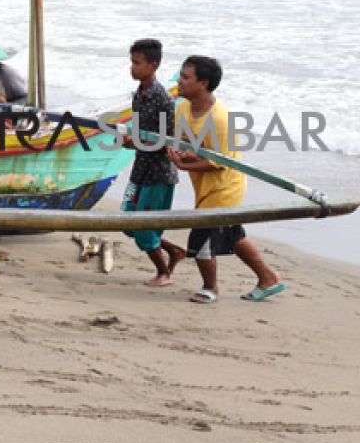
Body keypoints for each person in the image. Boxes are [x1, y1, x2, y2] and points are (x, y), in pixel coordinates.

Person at [168, 55, 284, 304]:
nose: (180, 81)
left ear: (204, 83)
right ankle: (268, 277)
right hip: (204, 185)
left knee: (200, 241)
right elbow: (185, 143)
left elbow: (217, 162)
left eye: (186, 77)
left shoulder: (220, 118)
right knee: (234, 235)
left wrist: (181, 162)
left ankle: (210, 288)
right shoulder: (183, 108)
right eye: (181, 75)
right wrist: (180, 153)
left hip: (224, 187)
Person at [120, 39, 184, 287]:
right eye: (131, 63)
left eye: (137, 63)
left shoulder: (162, 99)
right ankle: (174, 251)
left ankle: (163, 273)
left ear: (153, 65)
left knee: (144, 227)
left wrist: (134, 142)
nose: (132, 68)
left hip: (158, 173)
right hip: (140, 169)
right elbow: (138, 130)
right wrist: (131, 138)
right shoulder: (139, 95)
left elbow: (165, 141)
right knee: (127, 221)